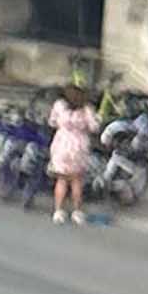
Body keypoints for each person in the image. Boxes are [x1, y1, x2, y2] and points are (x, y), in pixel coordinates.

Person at [47, 86, 95, 225]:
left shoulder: (59, 106)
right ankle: (77, 212)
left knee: (61, 179)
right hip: (79, 146)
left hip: (61, 144)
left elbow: (52, 122)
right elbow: (94, 126)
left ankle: (58, 211)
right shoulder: (86, 109)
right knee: (76, 180)